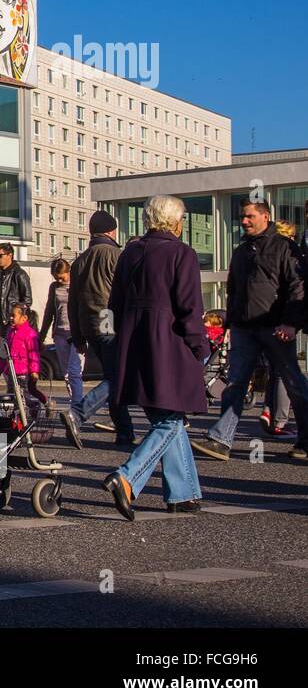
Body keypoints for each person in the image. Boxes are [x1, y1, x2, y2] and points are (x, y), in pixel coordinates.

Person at [102, 196, 208, 519]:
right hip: (170, 347)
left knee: (167, 418)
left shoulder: (130, 253)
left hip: (134, 344)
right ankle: (128, 476)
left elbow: (114, 305)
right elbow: (190, 308)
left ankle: (183, 492)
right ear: (175, 223)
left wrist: (115, 341)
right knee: (171, 420)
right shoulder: (181, 253)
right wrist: (200, 346)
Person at [192, 199, 308, 462]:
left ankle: (306, 439)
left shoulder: (283, 247)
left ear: (265, 217)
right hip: (245, 329)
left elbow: (297, 287)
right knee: (234, 383)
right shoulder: (242, 250)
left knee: (294, 384)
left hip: (275, 329)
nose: (244, 221)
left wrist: (291, 323)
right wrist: (231, 324)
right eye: (242, 217)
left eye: (249, 216)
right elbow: (233, 289)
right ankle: (221, 440)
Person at [68, 211, 135, 444]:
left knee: (112, 375)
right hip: (109, 322)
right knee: (118, 378)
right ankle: (78, 413)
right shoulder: (116, 255)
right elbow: (128, 293)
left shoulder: (80, 260)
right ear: (111, 231)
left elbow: (73, 301)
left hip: (88, 325)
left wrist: (77, 336)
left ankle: (125, 432)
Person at [259, 220, 303, 438]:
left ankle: (269, 410)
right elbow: (297, 287)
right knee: (288, 372)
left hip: (265, 320)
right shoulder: (289, 251)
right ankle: (280, 420)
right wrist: (293, 321)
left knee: (276, 371)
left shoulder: (262, 249)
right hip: (283, 319)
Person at [38, 257, 85, 447]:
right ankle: (75, 408)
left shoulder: (79, 284)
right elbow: (50, 311)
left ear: (69, 272)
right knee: (66, 374)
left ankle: (78, 414)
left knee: (75, 373)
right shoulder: (53, 287)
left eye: (62, 277)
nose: (59, 280)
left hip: (76, 333)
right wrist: (42, 335)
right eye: (56, 278)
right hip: (60, 333)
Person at [4, 304, 46, 408]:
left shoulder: (29, 333)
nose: (11, 318)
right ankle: (17, 416)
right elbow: (5, 352)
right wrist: (1, 368)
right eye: (10, 315)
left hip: (23, 371)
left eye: (13, 316)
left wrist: (34, 371)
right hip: (11, 370)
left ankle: (27, 413)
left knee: (22, 395)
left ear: (24, 318)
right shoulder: (10, 332)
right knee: (12, 394)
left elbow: (33, 353)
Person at [0, 242, 31, 339]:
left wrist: (16, 318)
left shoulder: (20, 274)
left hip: (14, 323)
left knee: (15, 352)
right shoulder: (1, 276)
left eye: (0, 256)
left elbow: (27, 301)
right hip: (2, 323)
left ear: (10, 255)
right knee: (5, 351)